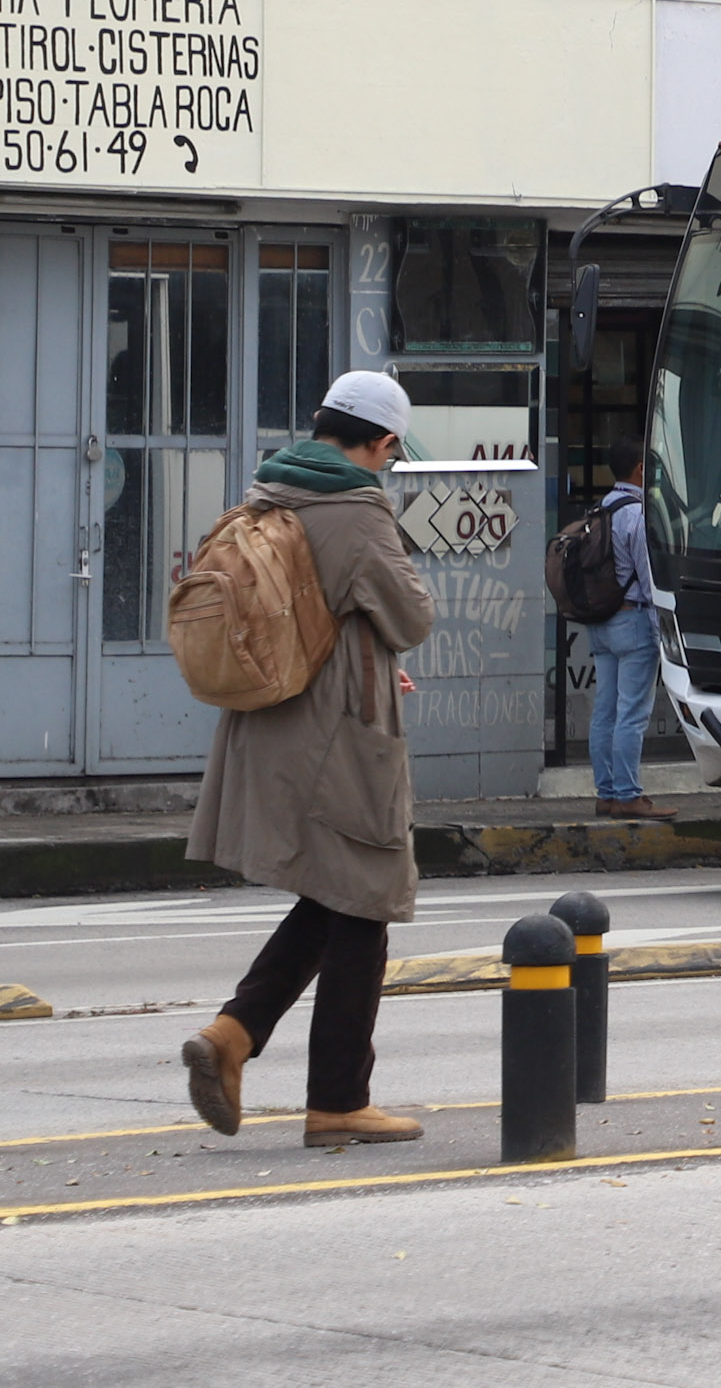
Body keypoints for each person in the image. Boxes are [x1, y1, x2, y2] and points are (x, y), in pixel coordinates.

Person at [179, 370, 436, 1149]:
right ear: (382, 441)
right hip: (341, 737)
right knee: (367, 897)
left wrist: (361, 646)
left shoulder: (271, 489)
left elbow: (313, 610)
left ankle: (234, 1036)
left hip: (275, 723)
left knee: (337, 897)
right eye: (391, 452)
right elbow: (412, 613)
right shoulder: (355, 510)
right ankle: (335, 1101)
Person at [587, 438, 676, 822]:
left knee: (604, 711)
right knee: (632, 714)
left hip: (601, 622)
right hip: (633, 621)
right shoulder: (637, 515)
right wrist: (663, 633)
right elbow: (649, 576)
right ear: (641, 469)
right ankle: (628, 795)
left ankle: (606, 793)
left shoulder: (599, 510)